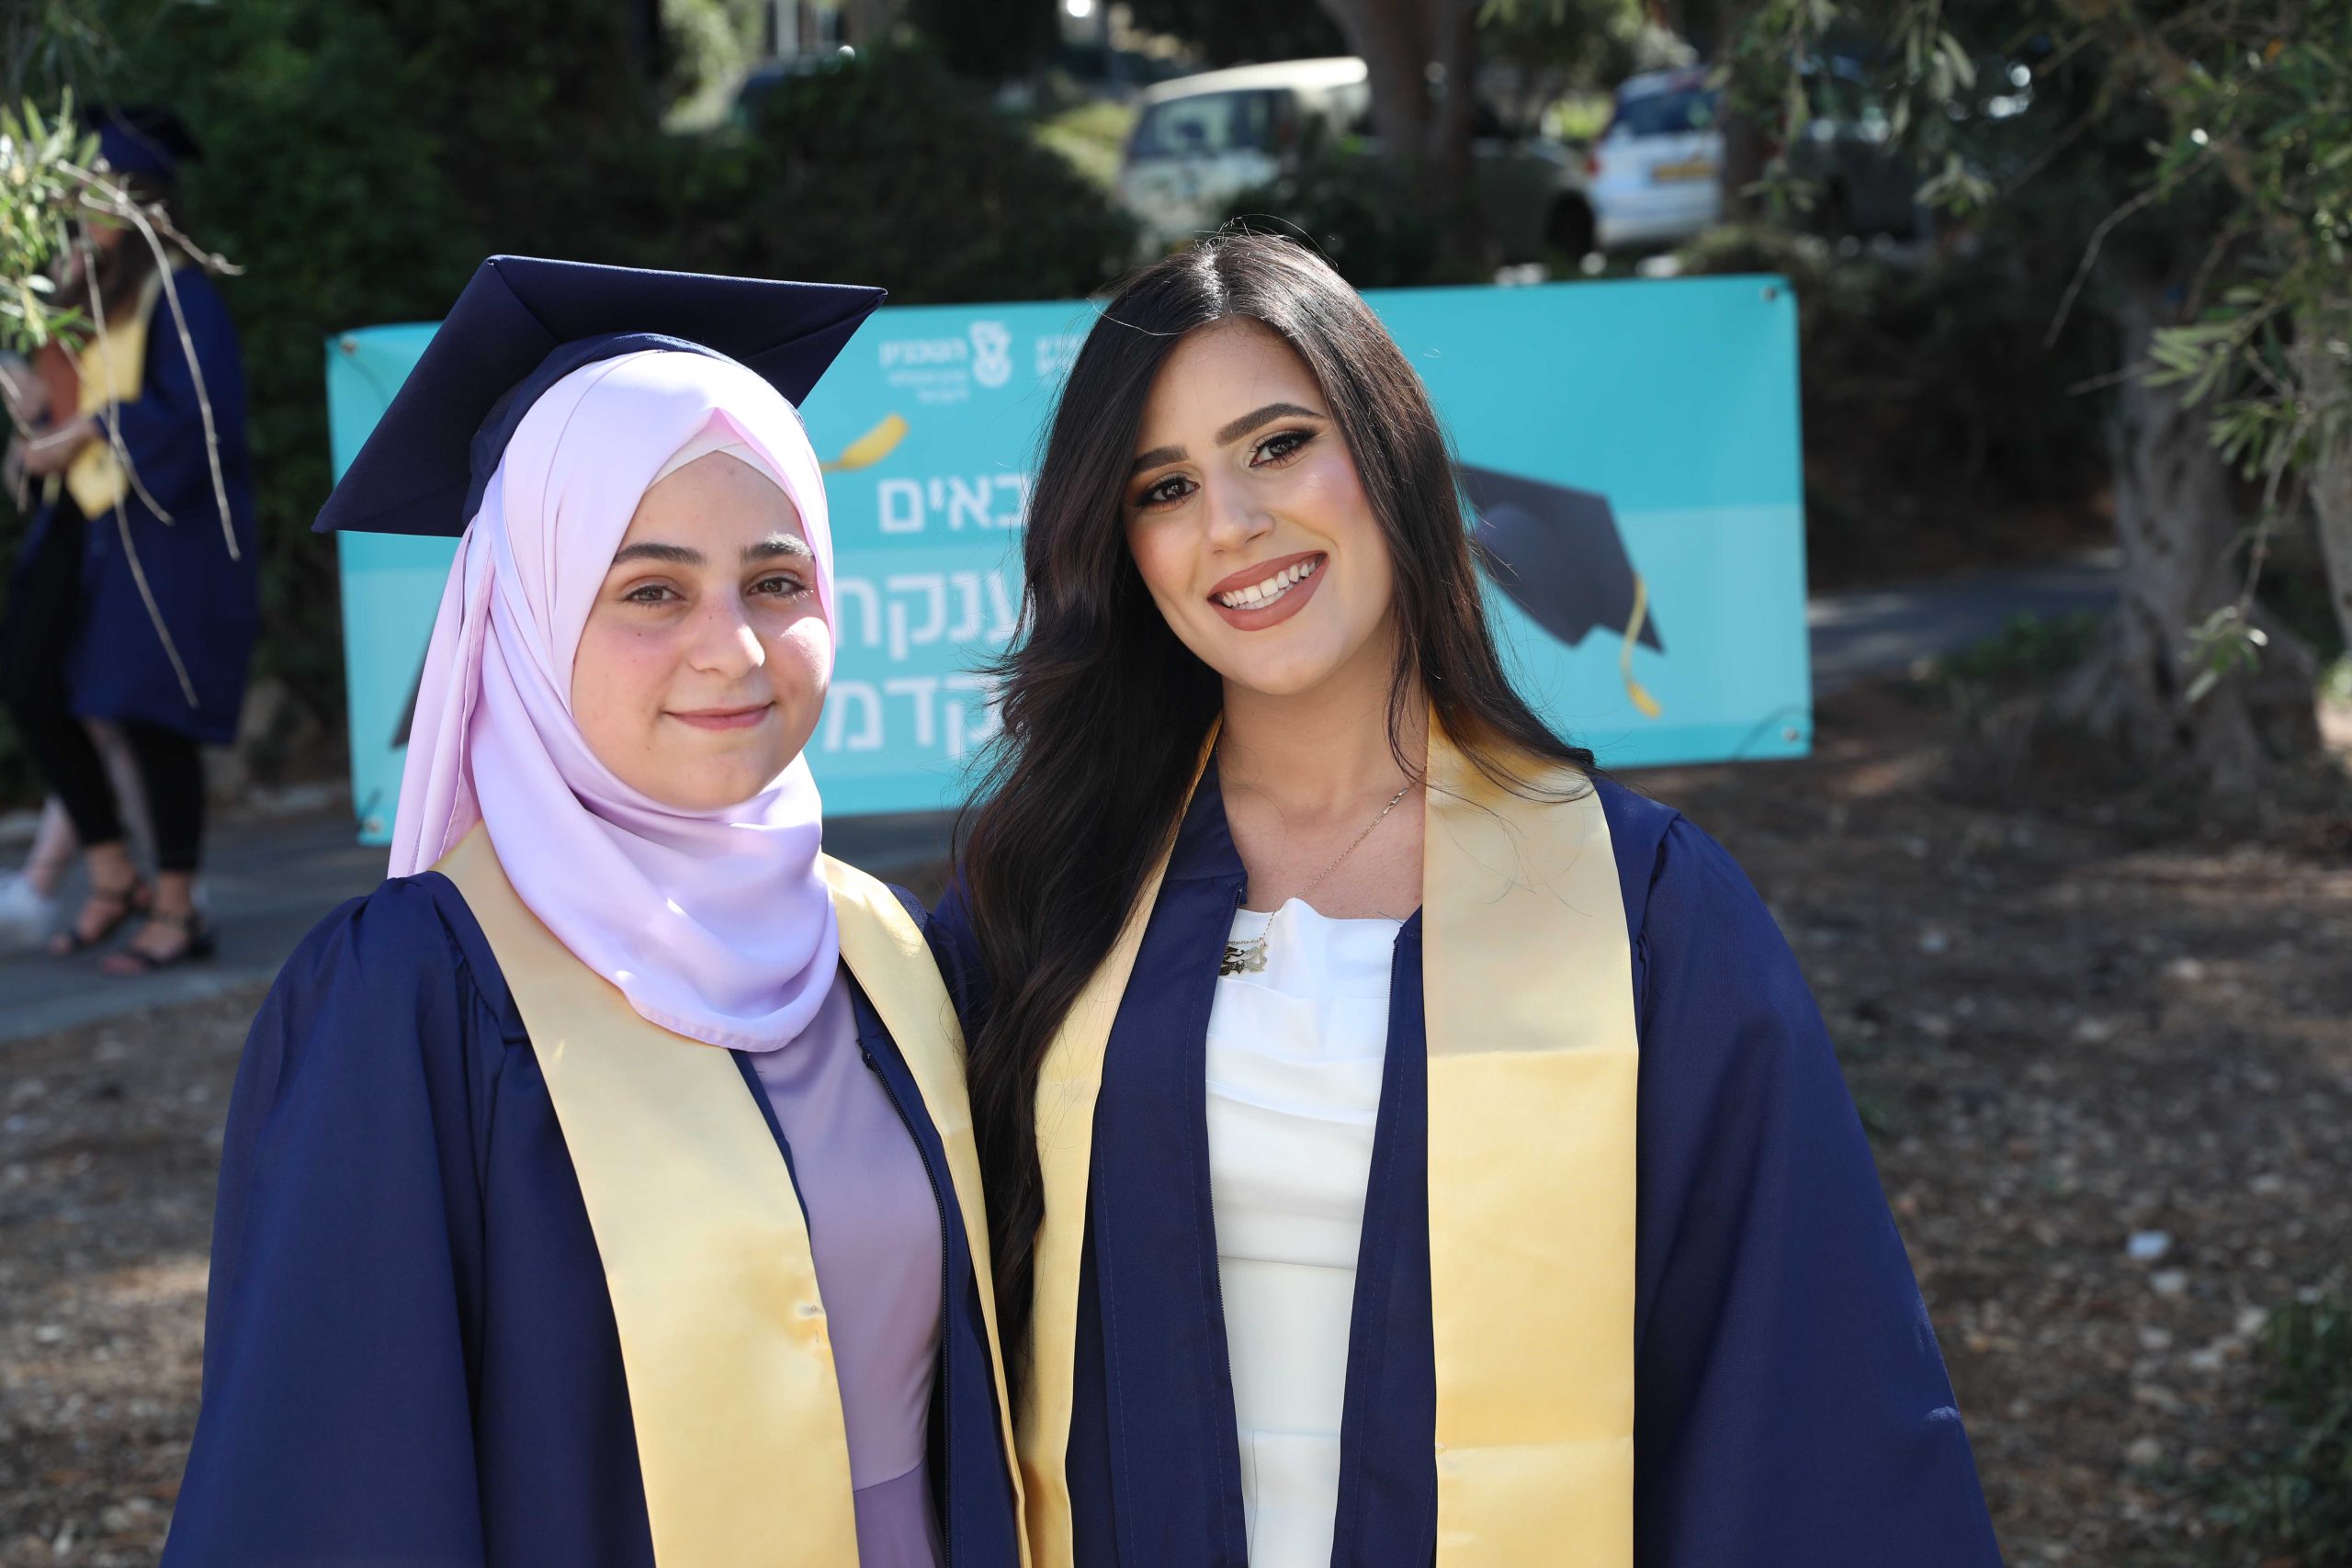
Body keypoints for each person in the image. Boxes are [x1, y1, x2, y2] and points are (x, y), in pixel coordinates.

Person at [929, 234, 2002, 1566]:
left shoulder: (1641, 910)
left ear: (1389, 453)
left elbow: (1795, 1380)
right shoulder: (1045, 894)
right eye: (1165, 487)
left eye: (1278, 445)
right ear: (1121, 547)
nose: (1232, 522)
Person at [162, 257, 1022, 1567]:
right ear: (522, 614)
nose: (733, 648)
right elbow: (334, 1489)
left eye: (776, 581)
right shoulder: (414, 998)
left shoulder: (887, 950)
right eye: (651, 590)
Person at [0, 105, 254, 974]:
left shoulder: (181, 295)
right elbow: (50, 404)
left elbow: (203, 422)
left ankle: (178, 908)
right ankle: (113, 874)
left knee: (152, 707)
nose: (82, 214)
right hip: (82, 518)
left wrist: (91, 428)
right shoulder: (85, 293)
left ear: (144, 204)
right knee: (30, 680)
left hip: (160, 525)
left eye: (97, 198)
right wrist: (30, 406)